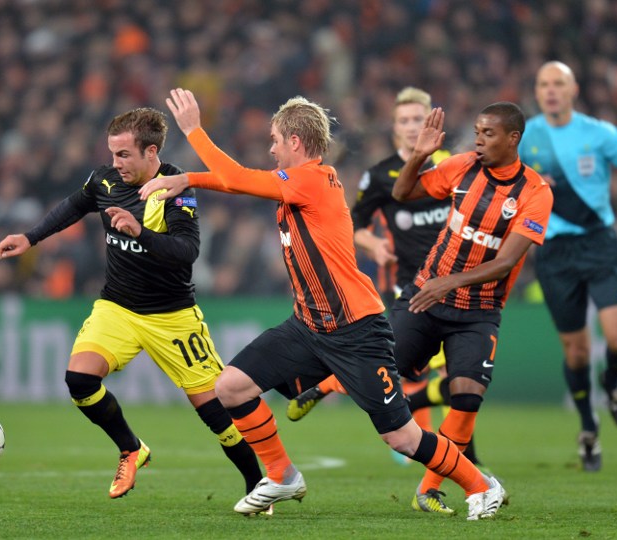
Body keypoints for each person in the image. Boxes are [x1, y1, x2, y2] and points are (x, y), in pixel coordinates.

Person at [138, 88, 506, 521]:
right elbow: (238, 180)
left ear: (295, 142)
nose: (271, 148)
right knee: (231, 386)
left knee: (402, 437)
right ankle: (281, 475)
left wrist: (194, 131)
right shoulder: (298, 182)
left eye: (276, 140)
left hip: (357, 330)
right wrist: (186, 180)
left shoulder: (313, 179)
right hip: (308, 326)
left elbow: (237, 177)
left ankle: (483, 486)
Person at [0, 107, 263, 500]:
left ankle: (258, 483)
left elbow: (187, 251)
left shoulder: (174, 188)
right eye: (112, 153)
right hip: (117, 308)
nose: (114, 163)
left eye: (124, 155)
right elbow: (74, 205)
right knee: (80, 381)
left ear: (151, 153)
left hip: (172, 317)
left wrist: (140, 232)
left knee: (216, 412)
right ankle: (131, 448)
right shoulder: (104, 180)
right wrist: (31, 237)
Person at [283, 87, 488, 482]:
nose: (413, 127)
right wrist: (372, 242)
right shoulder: (380, 176)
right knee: (438, 378)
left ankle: (330, 387)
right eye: (405, 121)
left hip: (455, 285)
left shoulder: (456, 166)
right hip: (407, 286)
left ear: (433, 122)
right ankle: (455, 461)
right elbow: (352, 224)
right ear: (394, 128)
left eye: (419, 119)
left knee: (458, 381)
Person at [389, 101, 554, 515]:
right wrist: (420, 155)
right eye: (477, 131)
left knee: (466, 396)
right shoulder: (462, 166)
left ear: (513, 139)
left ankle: (429, 490)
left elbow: (505, 261)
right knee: (380, 378)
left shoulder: (535, 192)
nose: (479, 139)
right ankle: (326, 385)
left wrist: (454, 280)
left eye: (489, 133)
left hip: (478, 312)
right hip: (427, 296)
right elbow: (401, 192)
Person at [518, 61, 617, 472]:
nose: (550, 91)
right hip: (555, 252)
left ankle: (614, 384)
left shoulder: (598, 133)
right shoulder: (525, 136)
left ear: (573, 89)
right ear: (537, 89)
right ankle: (588, 428)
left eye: (558, 83)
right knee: (577, 351)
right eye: (543, 83)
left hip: (600, 244)